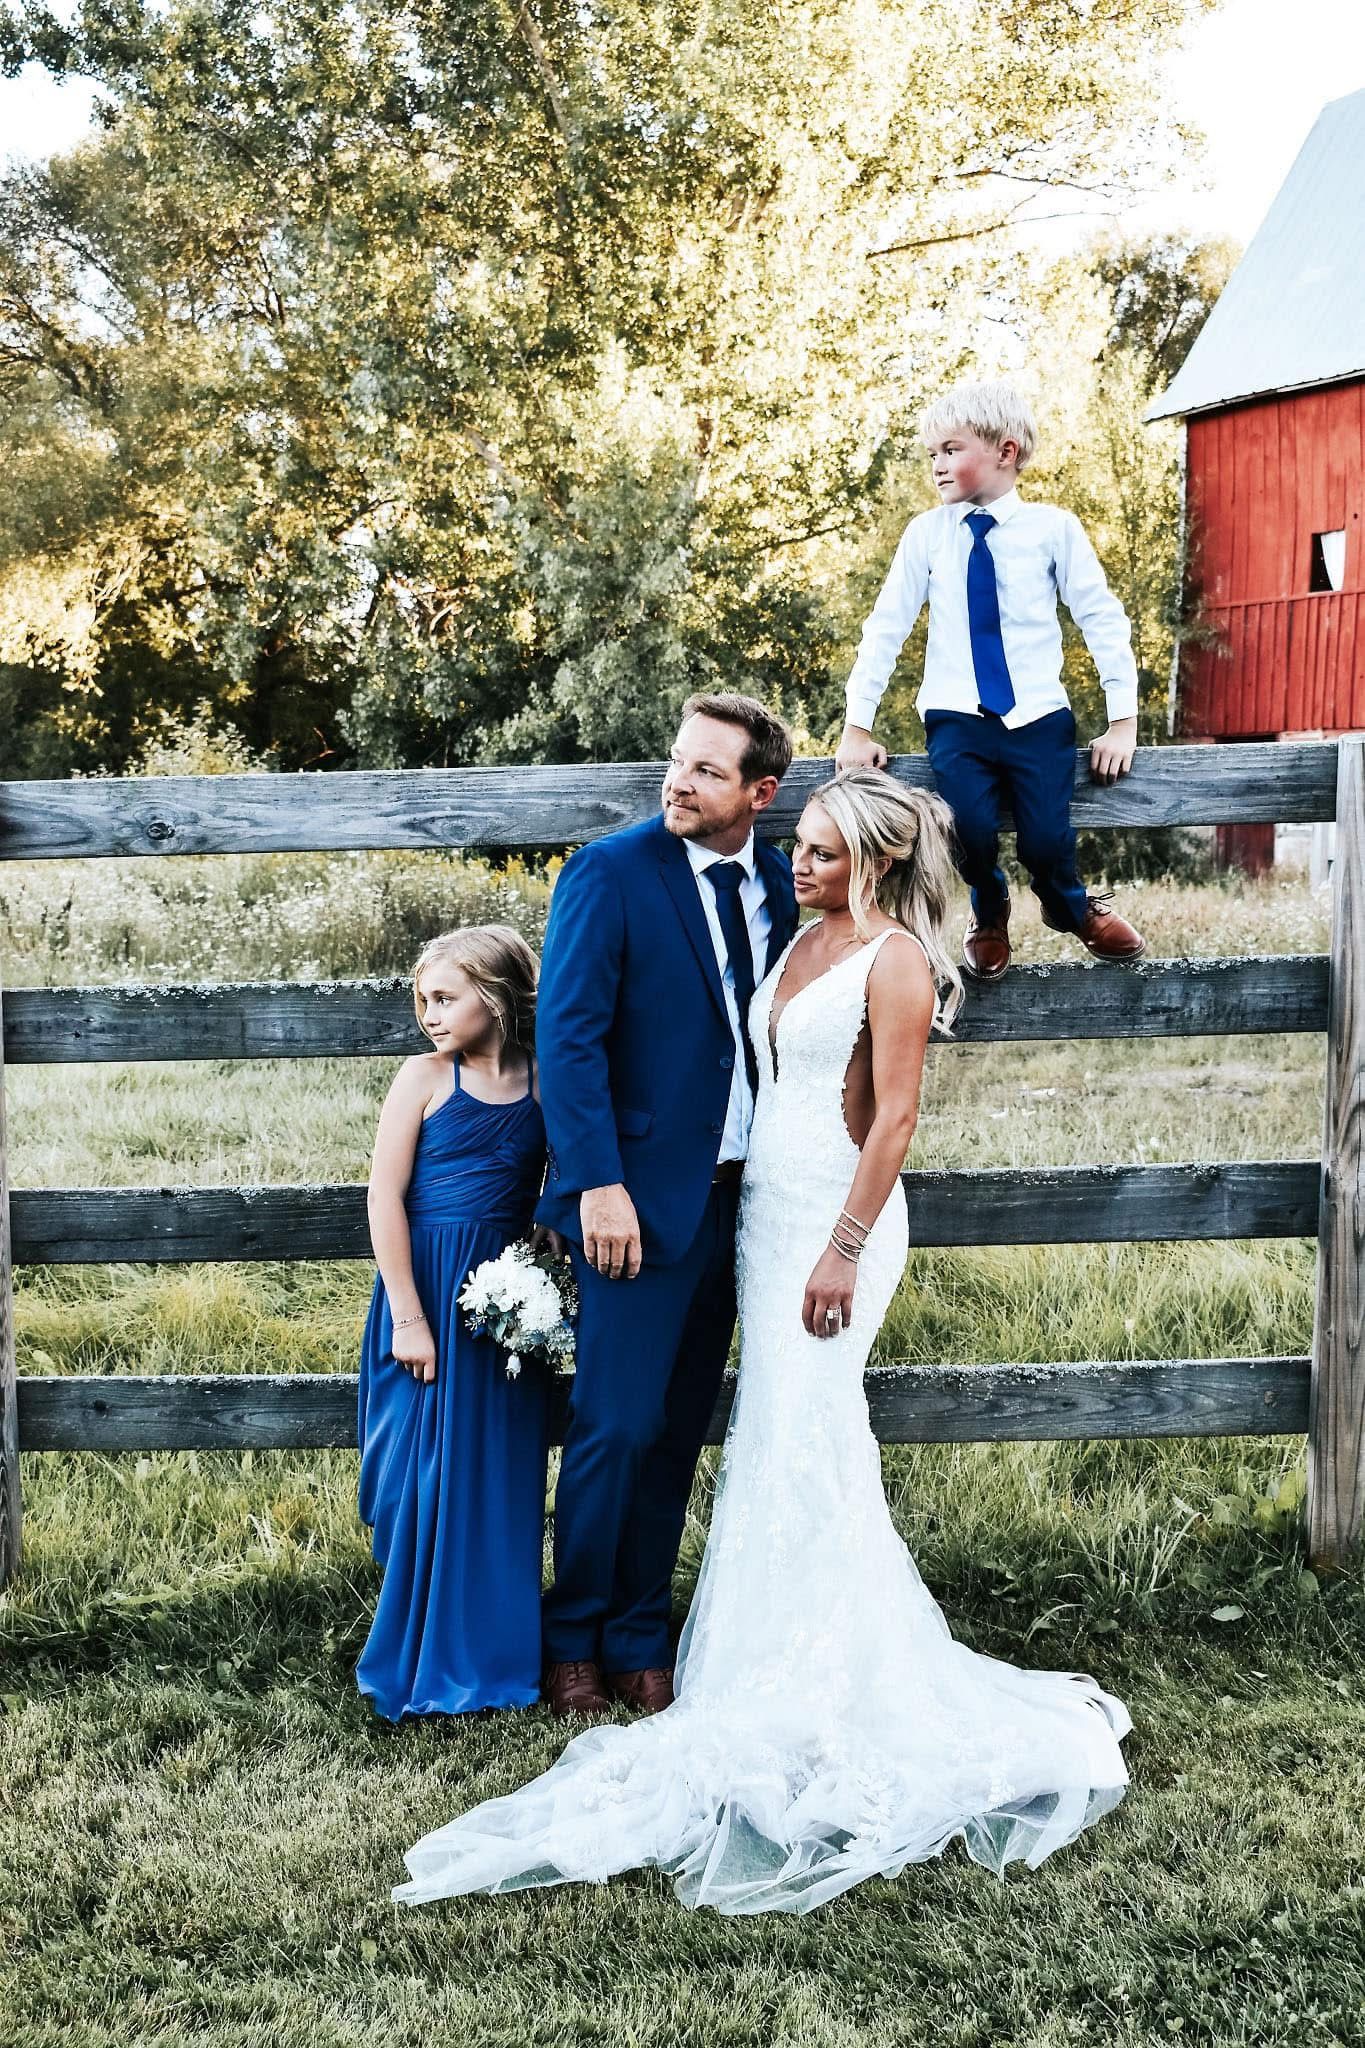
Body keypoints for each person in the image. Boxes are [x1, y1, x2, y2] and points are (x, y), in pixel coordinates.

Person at [393, 771, 1131, 1916]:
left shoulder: (894, 960)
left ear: (876, 864)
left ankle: (833, 1660)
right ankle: (739, 1646)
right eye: (804, 845)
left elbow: (893, 1115)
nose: (804, 863)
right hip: (759, 1214)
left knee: (813, 1425)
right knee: (764, 1428)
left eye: (828, 852)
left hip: (833, 1223)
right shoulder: (798, 941)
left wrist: (843, 1243)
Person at [530, 691, 799, 1718]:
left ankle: (644, 1635)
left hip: (745, 1202)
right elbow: (571, 1035)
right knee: (616, 1422)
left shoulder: (781, 878)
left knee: (682, 1423)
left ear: (759, 793)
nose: (678, 782)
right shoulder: (610, 872)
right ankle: (572, 1639)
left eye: (706, 771)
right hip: (633, 1201)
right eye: (676, 762)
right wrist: (598, 1181)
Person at [837, 378, 1146, 981]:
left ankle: (1069, 907)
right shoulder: (926, 536)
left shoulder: (1053, 530)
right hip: (957, 718)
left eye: (950, 450)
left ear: (1005, 451)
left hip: (1036, 718)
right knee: (968, 832)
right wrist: (857, 724)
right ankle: (989, 906)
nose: (938, 465)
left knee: (1048, 839)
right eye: (932, 454)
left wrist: (1123, 719)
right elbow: (886, 627)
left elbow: (1101, 618)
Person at [355, 925, 550, 1720]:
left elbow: (558, 1183)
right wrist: (408, 1316)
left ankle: (494, 1653)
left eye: (445, 998)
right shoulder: (424, 1078)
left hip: (501, 1303)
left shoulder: (544, 1081)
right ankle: (416, 1648)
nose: (429, 1015)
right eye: (422, 1000)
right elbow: (382, 1197)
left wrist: (541, 1260)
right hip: (423, 1295)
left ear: (497, 997)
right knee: (417, 1475)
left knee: (496, 1477)